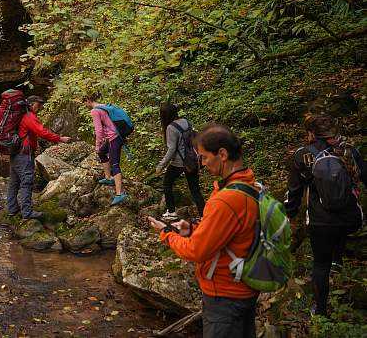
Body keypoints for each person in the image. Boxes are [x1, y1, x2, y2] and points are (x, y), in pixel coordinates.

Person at [148, 124, 258, 338]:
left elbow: (197, 251)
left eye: (205, 157)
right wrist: (192, 229)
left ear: (223, 154)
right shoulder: (250, 185)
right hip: (245, 289)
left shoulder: (227, 200)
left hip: (224, 295)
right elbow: (231, 232)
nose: (202, 163)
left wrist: (167, 234)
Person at [284, 114, 365, 316]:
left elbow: (294, 190)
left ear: (311, 133)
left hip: (320, 221)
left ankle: (319, 310)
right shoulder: (349, 150)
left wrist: (289, 213)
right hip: (350, 218)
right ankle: (337, 261)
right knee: (339, 229)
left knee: (320, 264)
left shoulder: (302, 155)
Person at [8, 96, 70, 219]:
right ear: (30, 104)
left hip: (15, 153)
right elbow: (42, 132)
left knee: (14, 183)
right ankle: (27, 212)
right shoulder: (29, 117)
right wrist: (60, 138)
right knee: (27, 182)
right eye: (38, 105)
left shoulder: (19, 116)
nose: (40, 107)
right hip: (24, 154)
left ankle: (12, 209)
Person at [155, 102, 205, 219]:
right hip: (192, 161)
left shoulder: (171, 127)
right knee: (195, 189)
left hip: (179, 163)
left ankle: (171, 211)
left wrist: (161, 165)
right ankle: (204, 215)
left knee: (167, 184)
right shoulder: (186, 122)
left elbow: (171, 149)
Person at [84, 96, 128, 206]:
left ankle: (119, 194)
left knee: (115, 164)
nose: (85, 105)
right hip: (114, 136)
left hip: (114, 138)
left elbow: (98, 130)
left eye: (84, 102)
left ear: (88, 100)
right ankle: (108, 177)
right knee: (102, 152)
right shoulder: (104, 106)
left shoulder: (95, 111)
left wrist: (97, 144)